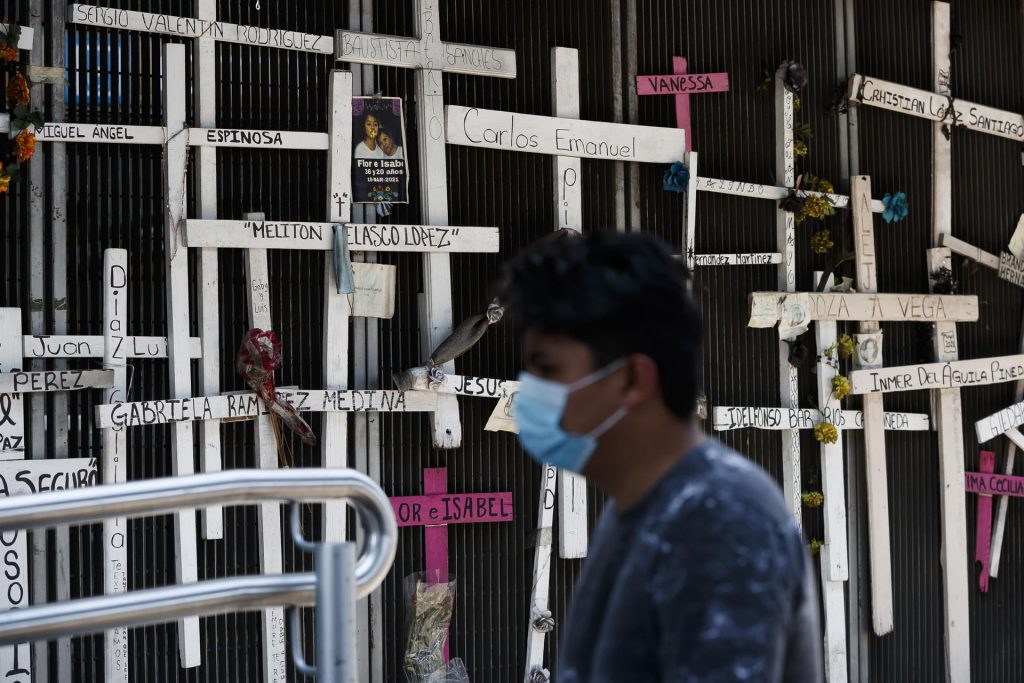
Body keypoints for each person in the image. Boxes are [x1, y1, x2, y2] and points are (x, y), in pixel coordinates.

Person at [498, 231, 823, 683]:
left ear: (633, 378)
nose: (530, 393)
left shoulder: (719, 522)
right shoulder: (640, 508)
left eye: (548, 369)